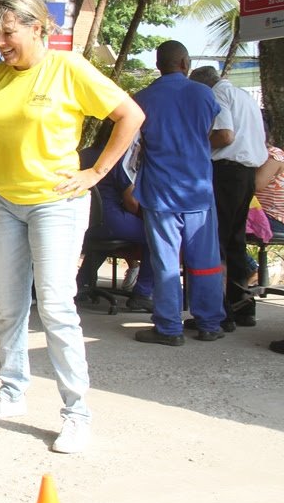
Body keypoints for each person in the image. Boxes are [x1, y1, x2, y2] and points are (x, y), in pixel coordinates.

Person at [0, 0, 144, 455]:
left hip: (55, 203)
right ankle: (11, 392)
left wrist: (96, 172)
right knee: (8, 306)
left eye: (9, 33)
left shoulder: (68, 68)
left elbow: (130, 114)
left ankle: (76, 413)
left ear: (38, 27)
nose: (0, 42)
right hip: (4, 202)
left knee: (56, 307)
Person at [132, 42, 225, 347]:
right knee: (205, 259)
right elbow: (212, 131)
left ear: (158, 65)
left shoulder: (143, 99)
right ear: (185, 62)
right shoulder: (203, 93)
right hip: (198, 189)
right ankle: (209, 322)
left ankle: (169, 328)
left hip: (160, 191)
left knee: (165, 261)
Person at [189, 66, 267, 329]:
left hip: (225, 172)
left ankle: (219, 313)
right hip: (246, 174)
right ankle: (242, 306)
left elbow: (224, 135)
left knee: (217, 242)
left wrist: (196, 141)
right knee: (235, 241)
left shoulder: (216, 95)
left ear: (203, 86)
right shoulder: (243, 96)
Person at [75, 120, 153, 311]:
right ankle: (142, 293)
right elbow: (131, 202)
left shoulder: (80, 156)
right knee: (158, 238)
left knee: (101, 238)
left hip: (81, 221)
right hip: (110, 220)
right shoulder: (116, 159)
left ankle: (82, 284)